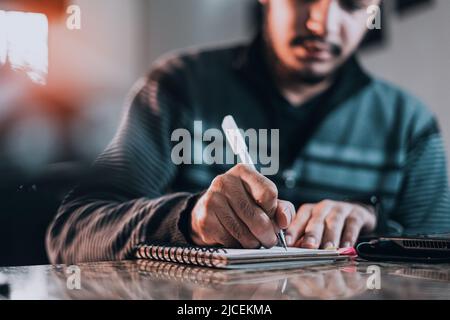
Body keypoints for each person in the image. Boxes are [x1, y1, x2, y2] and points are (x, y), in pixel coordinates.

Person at [47, 0, 450, 263]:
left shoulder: (410, 127)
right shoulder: (179, 89)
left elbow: (440, 261)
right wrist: (188, 221)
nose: (321, 23)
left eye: (352, 4)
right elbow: (72, 234)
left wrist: (374, 228)